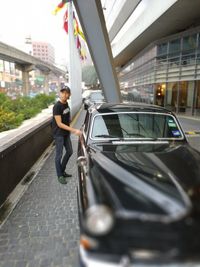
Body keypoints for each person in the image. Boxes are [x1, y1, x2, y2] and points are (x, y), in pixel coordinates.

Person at [52, 86, 81, 184]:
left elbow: (67, 117)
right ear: (60, 93)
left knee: (69, 151)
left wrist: (69, 121)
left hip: (65, 134)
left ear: (69, 95)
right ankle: (59, 175)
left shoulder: (66, 104)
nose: (64, 95)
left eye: (66, 93)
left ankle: (62, 170)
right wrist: (74, 130)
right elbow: (59, 124)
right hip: (59, 134)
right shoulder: (57, 106)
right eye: (62, 92)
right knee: (58, 155)